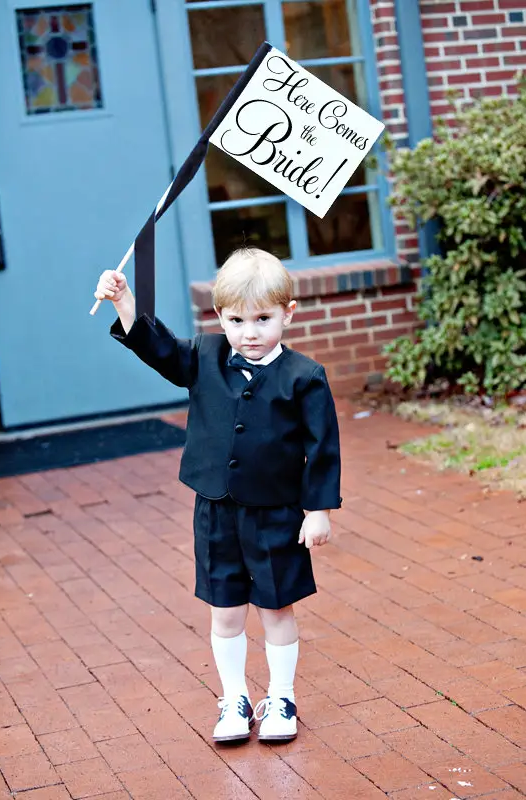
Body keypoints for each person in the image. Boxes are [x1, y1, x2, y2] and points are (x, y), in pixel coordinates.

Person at [94, 247, 341, 743]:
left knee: (276, 608)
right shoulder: (204, 357)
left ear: (288, 314)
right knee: (225, 609)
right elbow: (157, 346)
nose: (249, 332)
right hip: (215, 510)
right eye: (236, 320)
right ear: (219, 315)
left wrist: (316, 511)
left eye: (263, 319)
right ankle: (233, 697)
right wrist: (126, 302)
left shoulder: (305, 377)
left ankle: (282, 697)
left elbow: (323, 449)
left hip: (277, 514)